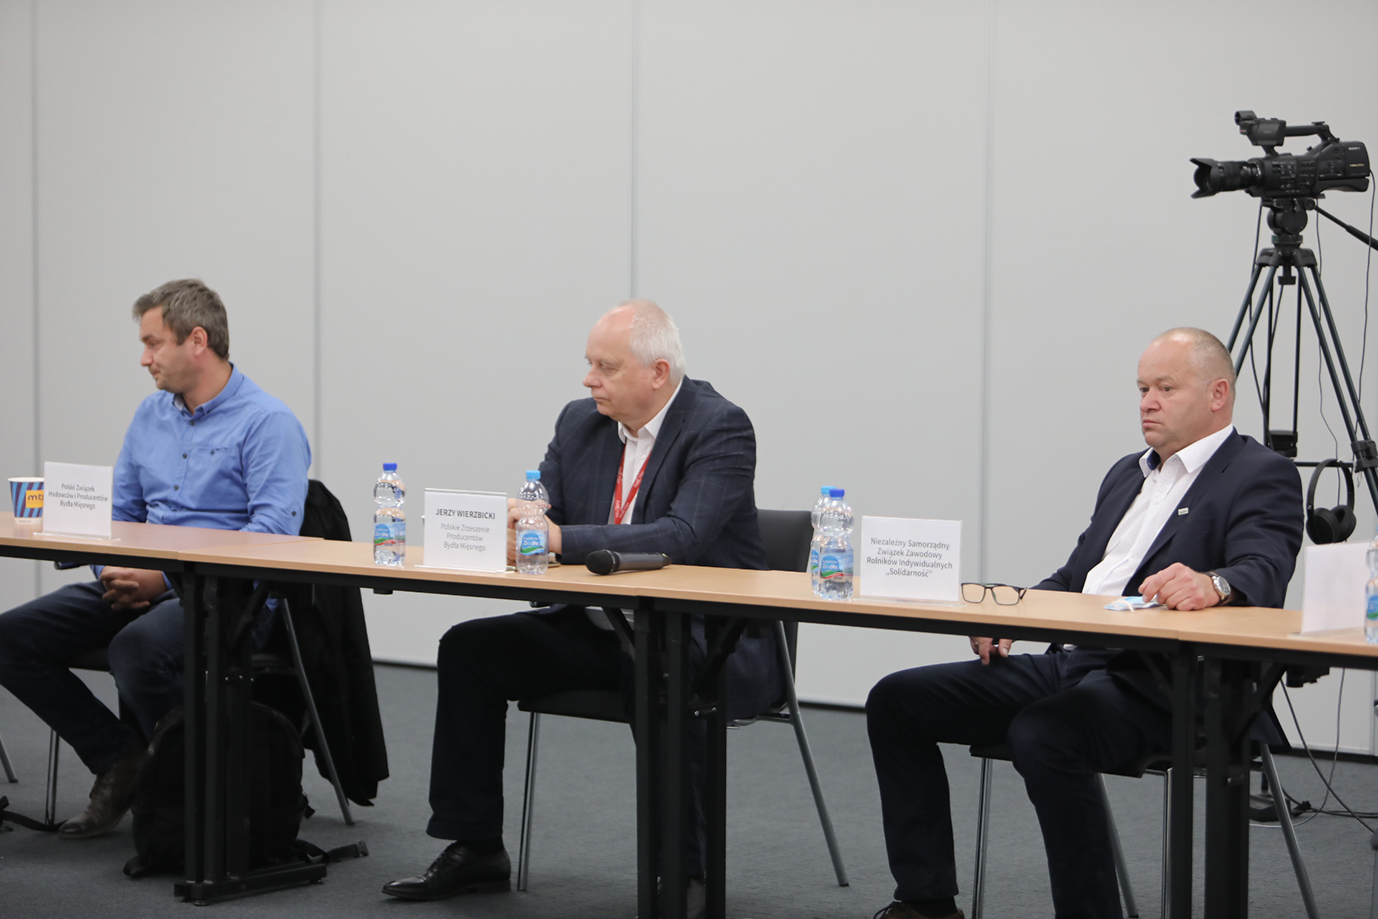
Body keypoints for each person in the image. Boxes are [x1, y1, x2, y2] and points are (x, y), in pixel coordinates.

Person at [865, 328, 1305, 919]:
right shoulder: (1128, 473)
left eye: (1166, 388)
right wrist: (1010, 613)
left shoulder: (1260, 472)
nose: (1148, 403)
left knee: (1045, 733)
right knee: (896, 701)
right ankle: (926, 904)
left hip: (1163, 682)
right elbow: (1075, 579)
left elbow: (1265, 568)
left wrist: (1215, 584)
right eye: (1142, 389)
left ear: (1217, 394)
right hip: (1075, 661)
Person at [384, 300, 782, 916]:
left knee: (662, 671)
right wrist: (518, 528)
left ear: (657, 372)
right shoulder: (580, 422)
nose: (588, 379)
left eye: (605, 366)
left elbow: (682, 536)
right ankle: (476, 847)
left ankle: (686, 873)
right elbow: (546, 516)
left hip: (708, 637)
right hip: (602, 627)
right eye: (589, 363)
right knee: (470, 648)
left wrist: (558, 540)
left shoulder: (718, 426)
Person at [0, 279, 311, 838]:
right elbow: (118, 514)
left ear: (198, 340)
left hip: (230, 595)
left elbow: (269, 537)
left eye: (153, 343)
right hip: (141, 581)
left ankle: (202, 790)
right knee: (10, 638)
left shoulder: (268, 423)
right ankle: (123, 759)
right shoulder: (150, 414)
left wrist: (161, 580)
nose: (144, 359)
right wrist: (114, 573)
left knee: (136, 648)